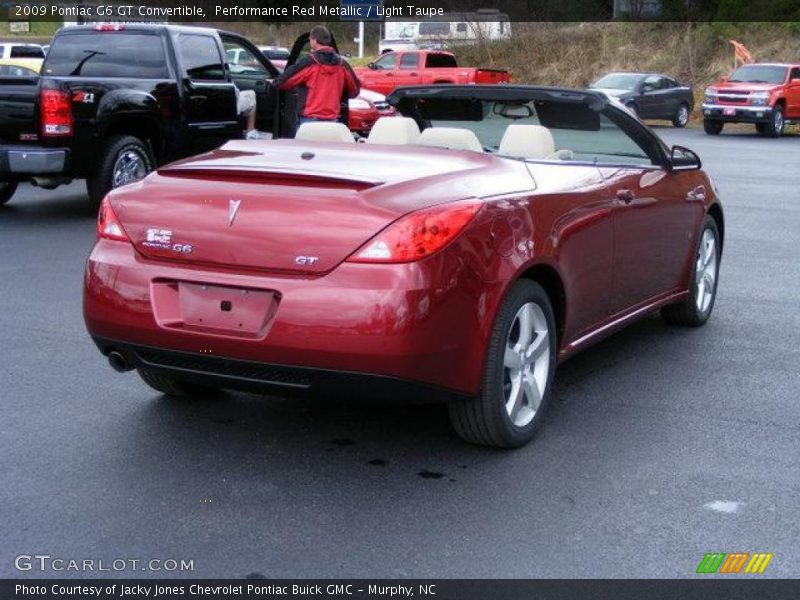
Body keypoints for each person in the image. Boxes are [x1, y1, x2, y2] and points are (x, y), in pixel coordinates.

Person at [274, 26, 360, 128]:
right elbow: (355, 91)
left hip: (309, 121)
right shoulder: (342, 65)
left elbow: (283, 82)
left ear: (314, 40)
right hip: (332, 121)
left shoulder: (309, 62)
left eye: (310, 39)